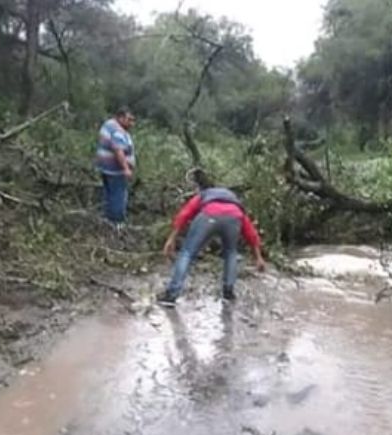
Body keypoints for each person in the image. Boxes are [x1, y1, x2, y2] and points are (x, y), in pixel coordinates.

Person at [157, 169, 266, 307]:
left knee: (187, 253)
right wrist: (258, 257)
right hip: (234, 218)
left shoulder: (204, 194)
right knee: (231, 253)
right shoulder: (234, 201)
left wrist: (172, 238)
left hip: (209, 213)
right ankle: (228, 293)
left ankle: (171, 296)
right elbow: (250, 231)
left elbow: (185, 214)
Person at [95, 106, 136, 230]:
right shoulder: (118, 131)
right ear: (121, 117)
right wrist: (126, 168)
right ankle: (117, 223)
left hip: (105, 168)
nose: (131, 123)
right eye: (129, 119)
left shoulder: (108, 124)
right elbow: (118, 150)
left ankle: (107, 219)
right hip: (115, 170)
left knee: (109, 194)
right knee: (118, 196)